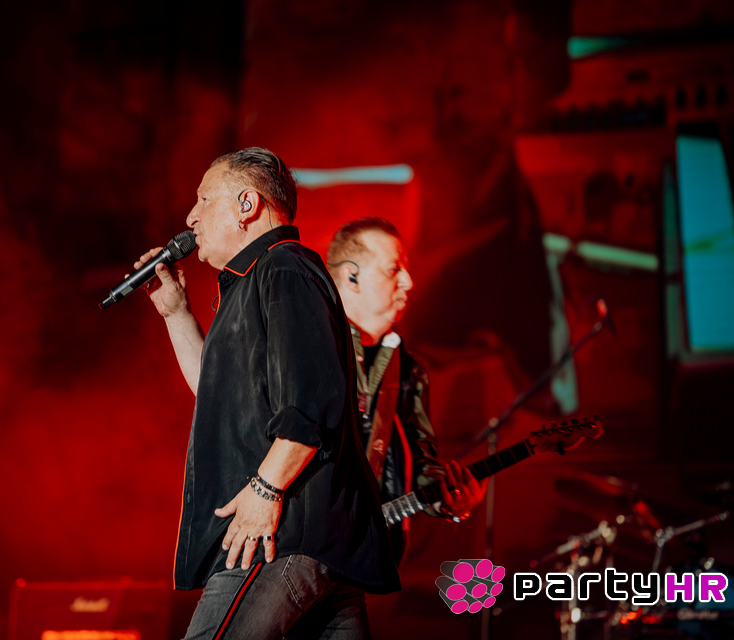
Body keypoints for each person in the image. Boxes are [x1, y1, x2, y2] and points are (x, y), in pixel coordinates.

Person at [133, 149, 400, 639]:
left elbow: (312, 400)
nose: (191, 217)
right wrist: (175, 313)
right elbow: (214, 393)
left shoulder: (284, 268)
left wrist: (265, 490)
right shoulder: (253, 281)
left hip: (279, 536)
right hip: (307, 541)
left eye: (204, 200)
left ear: (247, 204)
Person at [326, 217, 487, 563]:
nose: (409, 282)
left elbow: (420, 465)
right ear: (351, 276)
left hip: (369, 559)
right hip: (295, 554)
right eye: (393, 269)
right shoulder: (309, 346)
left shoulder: (410, 370)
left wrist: (452, 501)